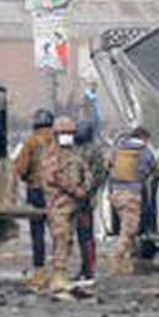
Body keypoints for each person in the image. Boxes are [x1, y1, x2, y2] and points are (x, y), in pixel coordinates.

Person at [42, 116, 95, 293]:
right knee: (61, 239)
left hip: (74, 205)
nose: (67, 137)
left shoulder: (74, 154)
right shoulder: (51, 155)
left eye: (70, 133)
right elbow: (54, 177)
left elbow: (87, 172)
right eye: (64, 133)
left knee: (69, 240)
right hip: (58, 206)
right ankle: (58, 275)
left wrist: (85, 187)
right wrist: (75, 189)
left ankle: (62, 274)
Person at [14, 108, 56, 288]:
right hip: (56, 192)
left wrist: (27, 178)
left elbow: (21, 168)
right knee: (58, 232)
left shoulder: (31, 142)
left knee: (37, 233)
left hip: (36, 191)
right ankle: (59, 271)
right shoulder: (58, 141)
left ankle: (39, 271)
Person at [108, 127, 153, 275]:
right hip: (131, 194)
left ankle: (130, 262)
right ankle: (116, 257)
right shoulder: (143, 151)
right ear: (144, 137)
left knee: (126, 226)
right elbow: (152, 169)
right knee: (130, 229)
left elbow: (108, 165)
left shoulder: (118, 149)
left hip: (116, 193)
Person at [73, 120, 106, 281]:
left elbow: (98, 175)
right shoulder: (77, 149)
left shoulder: (93, 151)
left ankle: (89, 269)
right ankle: (85, 268)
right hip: (76, 197)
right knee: (81, 236)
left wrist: (87, 191)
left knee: (86, 236)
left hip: (85, 199)